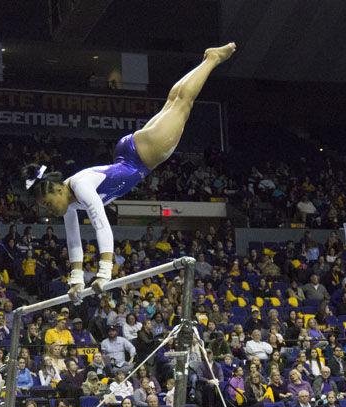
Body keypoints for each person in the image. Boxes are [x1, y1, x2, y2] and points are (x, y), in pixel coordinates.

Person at [22, 43, 237, 299]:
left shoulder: (79, 186)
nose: (49, 209)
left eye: (48, 203)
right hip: (130, 153)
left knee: (183, 104)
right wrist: (76, 280)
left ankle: (211, 60)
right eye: (45, 208)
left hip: (140, 159)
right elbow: (74, 241)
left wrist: (104, 271)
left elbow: (101, 224)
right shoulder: (68, 201)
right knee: (174, 102)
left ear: (57, 189)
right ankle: (207, 60)